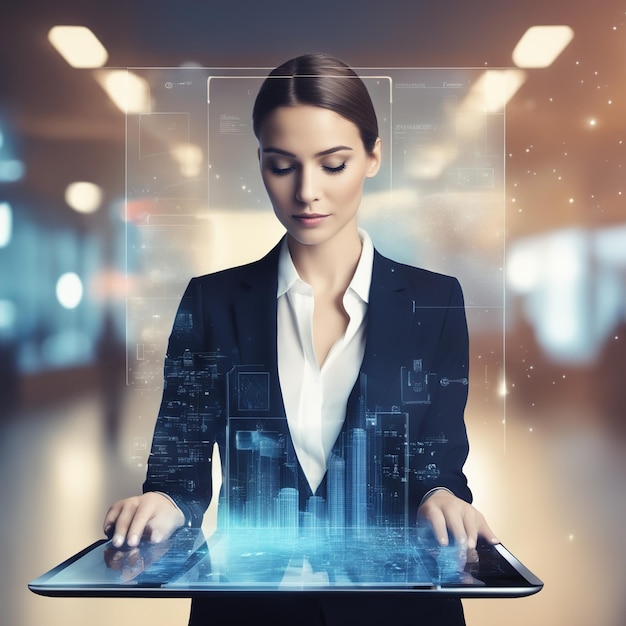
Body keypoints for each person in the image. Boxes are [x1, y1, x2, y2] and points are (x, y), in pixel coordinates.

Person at [104, 53, 498, 625]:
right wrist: (161, 505)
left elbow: (436, 461)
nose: (307, 191)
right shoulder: (211, 304)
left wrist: (439, 498)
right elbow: (178, 472)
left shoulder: (433, 302)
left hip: (396, 611)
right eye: (282, 165)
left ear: (373, 155)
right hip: (250, 608)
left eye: (333, 164)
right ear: (261, 163)